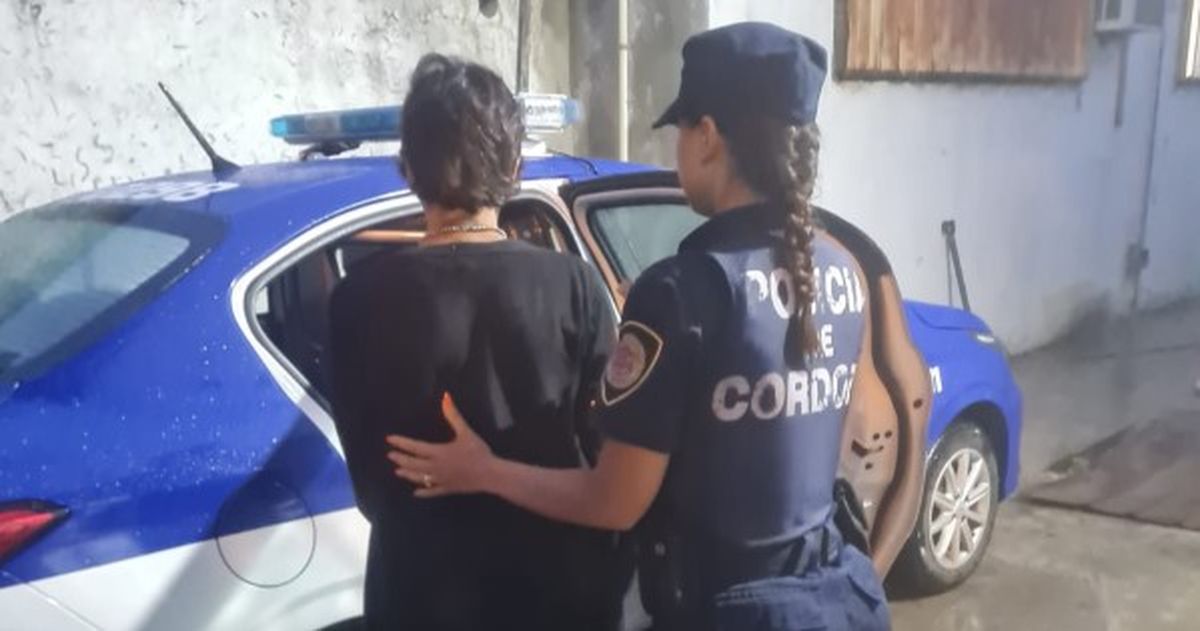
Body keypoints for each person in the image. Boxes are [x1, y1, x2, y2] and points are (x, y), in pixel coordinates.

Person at [387, 24, 909, 630]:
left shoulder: (679, 293)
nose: (676, 151)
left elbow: (614, 503)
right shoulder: (842, 269)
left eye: (679, 132)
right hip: (830, 604)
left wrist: (483, 469)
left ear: (707, 136)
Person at [328, 53, 629, 630]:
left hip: (416, 599)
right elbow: (606, 464)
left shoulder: (355, 299)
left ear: (407, 169)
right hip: (557, 598)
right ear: (515, 166)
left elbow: (371, 490)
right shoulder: (574, 287)